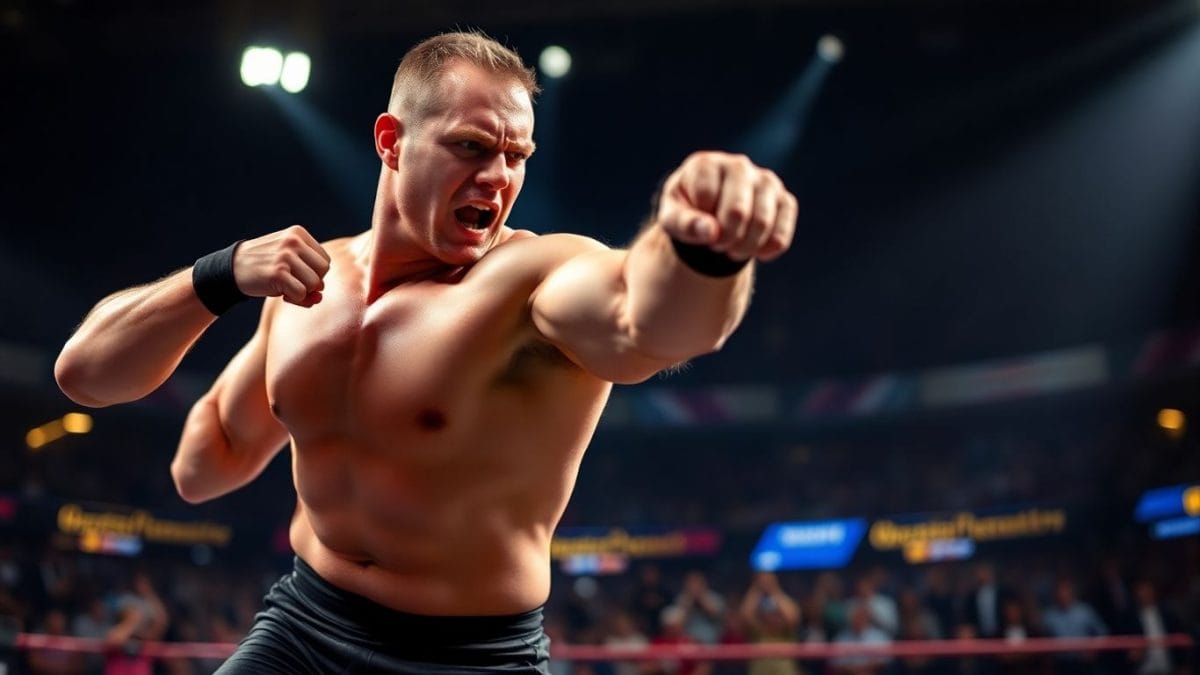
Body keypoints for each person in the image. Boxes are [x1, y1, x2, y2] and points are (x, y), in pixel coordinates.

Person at [54, 30, 796, 674]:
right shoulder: (301, 283)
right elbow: (161, 437)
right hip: (305, 630)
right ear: (390, 140)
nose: (498, 177)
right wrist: (218, 276)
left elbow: (648, 325)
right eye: (471, 146)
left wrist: (701, 252)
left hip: (470, 658)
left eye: (516, 154)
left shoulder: (530, 281)